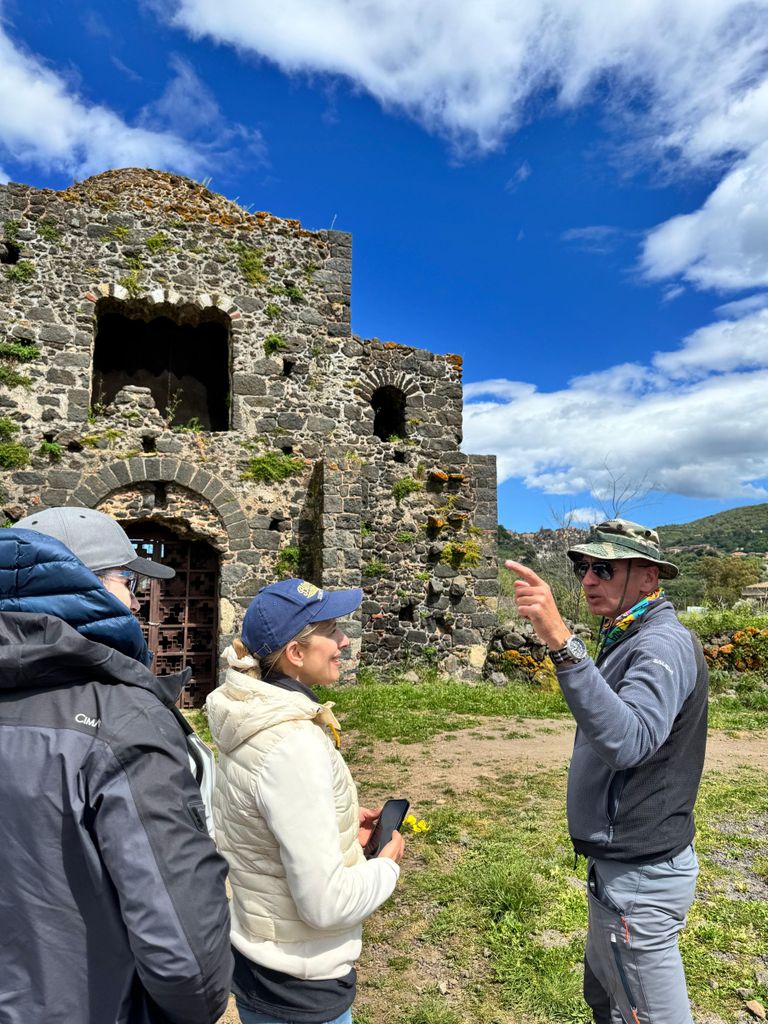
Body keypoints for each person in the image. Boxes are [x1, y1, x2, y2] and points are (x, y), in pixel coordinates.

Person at [1, 506, 232, 1024]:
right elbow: (187, 965)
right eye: (127, 581)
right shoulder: (120, 719)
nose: (137, 599)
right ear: (83, 585)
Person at [506, 518, 708, 1024]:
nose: (589, 580)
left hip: (640, 874)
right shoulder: (627, 632)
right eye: (584, 568)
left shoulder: (660, 643)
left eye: (605, 569)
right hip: (622, 867)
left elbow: (629, 740)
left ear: (649, 576)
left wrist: (560, 641)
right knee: (608, 1003)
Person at [207, 577, 404, 1024]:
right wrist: (386, 865)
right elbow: (326, 904)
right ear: (295, 653)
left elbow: (261, 828)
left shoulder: (251, 718)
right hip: (301, 984)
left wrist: (338, 828)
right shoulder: (292, 744)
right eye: (331, 630)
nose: (344, 640)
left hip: (262, 961)